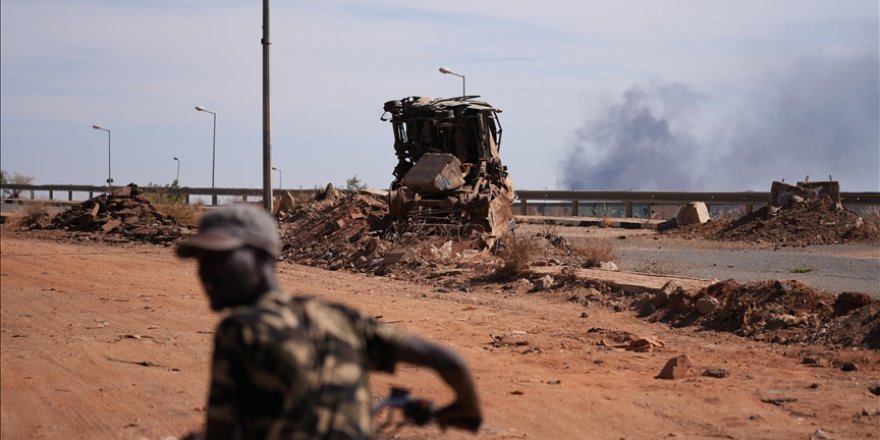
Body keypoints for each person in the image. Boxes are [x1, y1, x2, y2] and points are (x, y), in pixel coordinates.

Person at [176, 203, 481, 439]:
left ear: (260, 257)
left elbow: (220, 433)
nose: (206, 272)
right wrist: (466, 408)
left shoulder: (240, 329)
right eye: (202, 261)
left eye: (219, 258)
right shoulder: (339, 317)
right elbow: (450, 362)